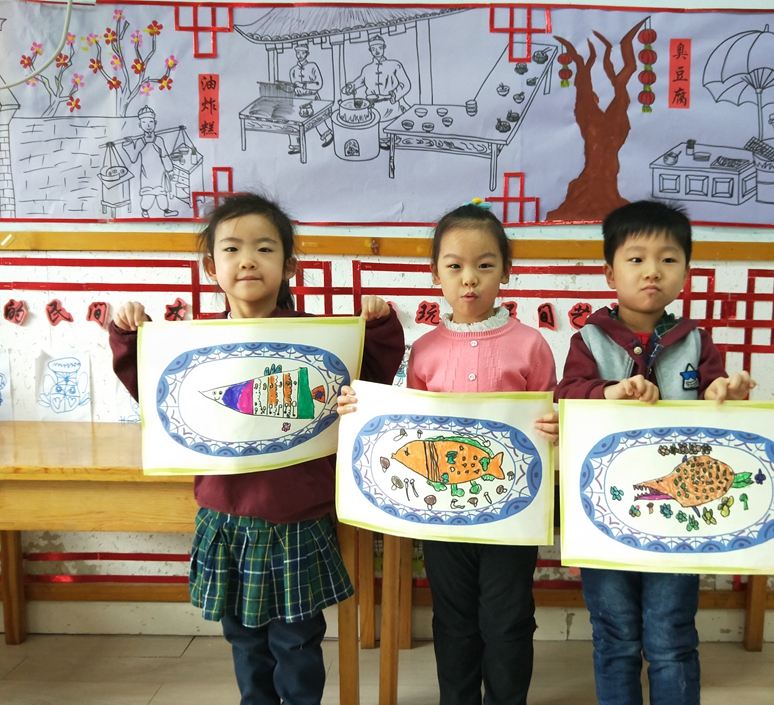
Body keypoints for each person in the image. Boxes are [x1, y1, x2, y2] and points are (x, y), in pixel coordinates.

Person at [109, 192, 405, 705]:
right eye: (232, 249)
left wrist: (378, 326)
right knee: (244, 640)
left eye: (264, 248)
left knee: (298, 641)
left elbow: (369, 383)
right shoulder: (192, 344)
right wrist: (128, 335)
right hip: (226, 517)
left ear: (289, 265)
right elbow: (155, 396)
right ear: (211, 266)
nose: (247, 260)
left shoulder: (319, 338)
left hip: (298, 518)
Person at [338, 200, 559, 705]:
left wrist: (556, 425)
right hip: (441, 515)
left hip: (511, 517)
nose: (470, 279)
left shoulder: (532, 345)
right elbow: (409, 427)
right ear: (435, 273)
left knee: (508, 618)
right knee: (453, 618)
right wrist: (361, 407)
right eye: (455, 266)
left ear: (507, 271)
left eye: (485, 265)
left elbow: (549, 422)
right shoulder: (425, 349)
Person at [555, 200, 756, 705]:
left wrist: (723, 393)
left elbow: (714, 403)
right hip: (605, 509)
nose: (652, 271)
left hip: (678, 517)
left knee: (671, 635)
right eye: (636, 258)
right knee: (615, 634)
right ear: (610, 272)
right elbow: (566, 396)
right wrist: (610, 392)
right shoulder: (589, 340)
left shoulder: (697, 342)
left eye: (668, 259)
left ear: (686, 273)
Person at [342, 35, 412, 149]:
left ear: (384, 47)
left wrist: (395, 94)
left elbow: (406, 84)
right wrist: (351, 86)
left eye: (379, 47)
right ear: (370, 50)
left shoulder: (395, 65)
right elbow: (359, 81)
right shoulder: (367, 69)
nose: (377, 51)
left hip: (391, 106)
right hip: (374, 107)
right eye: (373, 49)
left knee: (394, 133)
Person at [122, 105, 179, 218]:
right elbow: (133, 158)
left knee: (162, 193)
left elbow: (165, 155)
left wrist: (170, 170)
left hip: (160, 173)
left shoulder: (159, 140)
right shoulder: (140, 141)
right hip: (147, 174)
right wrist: (129, 143)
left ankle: (166, 210)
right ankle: (144, 211)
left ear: (155, 123)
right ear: (140, 125)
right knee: (148, 195)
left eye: (151, 122)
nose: (148, 125)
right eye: (144, 122)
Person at [287, 43, 333, 151]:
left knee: (317, 118)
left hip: (312, 97)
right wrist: (294, 89)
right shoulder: (293, 70)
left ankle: (327, 136)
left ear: (307, 54)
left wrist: (304, 85)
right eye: (298, 53)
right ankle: (295, 145)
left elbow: (318, 84)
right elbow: (293, 86)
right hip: (298, 99)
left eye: (302, 53)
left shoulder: (312, 66)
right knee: (293, 120)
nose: (300, 55)